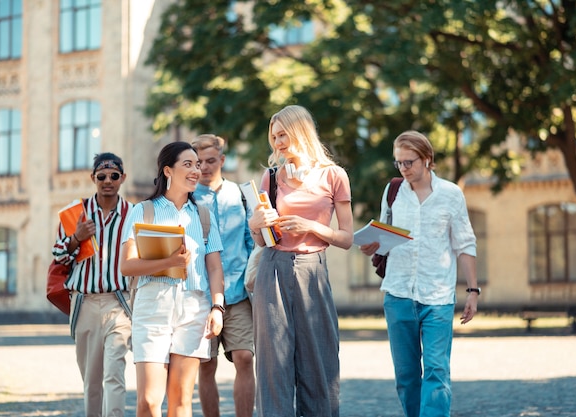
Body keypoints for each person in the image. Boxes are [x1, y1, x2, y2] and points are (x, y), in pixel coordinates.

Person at [359, 130, 479, 417]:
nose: (403, 168)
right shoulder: (393, 193)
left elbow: (465, 243)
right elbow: (385, 238)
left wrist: (473, 291)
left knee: (437, 372)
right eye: (398, 163)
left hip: (437, 297)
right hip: (398, 294)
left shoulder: (451, 194)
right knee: (407, 377)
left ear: (427, 159)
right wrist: (374, 245)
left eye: (409, 162)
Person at [248, 105, 354, 417]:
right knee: (273, 365)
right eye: (274, 136)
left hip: (313, 271)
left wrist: (311, 226)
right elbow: (260, 239)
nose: (278, 142)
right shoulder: (269, 178)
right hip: (273, 270)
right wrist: (256, 223)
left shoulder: (334, 176)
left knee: (319, 361)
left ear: (301, 131)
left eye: (283, 134)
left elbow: (346, 238)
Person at [119, 141, 225, 417]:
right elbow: (127, 266)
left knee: (180, 403)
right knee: (149, 402)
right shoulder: (144, 211)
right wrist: (171, 262)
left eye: (198, 164)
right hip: (153, 307)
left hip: (194, 309)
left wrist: (217, 307)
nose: (196, 170)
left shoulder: (203, 215)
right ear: (168, 170)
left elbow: (214, 268)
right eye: (188, 164)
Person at [51, 152, 133, 417]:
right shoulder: (76, 212)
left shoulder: (133, 213)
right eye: (101, 176)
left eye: (113, 176)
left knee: (115, 374)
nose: (107, 181)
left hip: (119, 302)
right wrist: (76, 238)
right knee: (92, 380)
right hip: (84, 303)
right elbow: (59, 255)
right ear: (93, 178)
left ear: (122, 178)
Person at [192, 134, 256, 417]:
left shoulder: (241, 195)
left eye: (210, 161)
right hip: (201, 297)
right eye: (198, 162)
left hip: (238, 293)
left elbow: (251, 242)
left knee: (244, 358)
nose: (204, 167)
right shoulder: (188, 199)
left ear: (222, 160)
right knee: (206, 365)